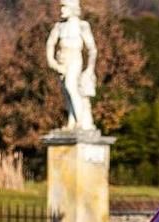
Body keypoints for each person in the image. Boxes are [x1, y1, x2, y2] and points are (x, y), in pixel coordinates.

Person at [46, 0, 97, 131]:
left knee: (71, 86)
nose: (61, 10)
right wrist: (51, 61)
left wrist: (90, 68)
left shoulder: (82, 26)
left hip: (75, 58)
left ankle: (80, 121)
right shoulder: (59, 26)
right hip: (62, 60)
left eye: (64, 7)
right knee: (66, 92)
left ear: (72, 8)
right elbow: (50, 43)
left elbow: (92, 49)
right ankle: (71, 122)